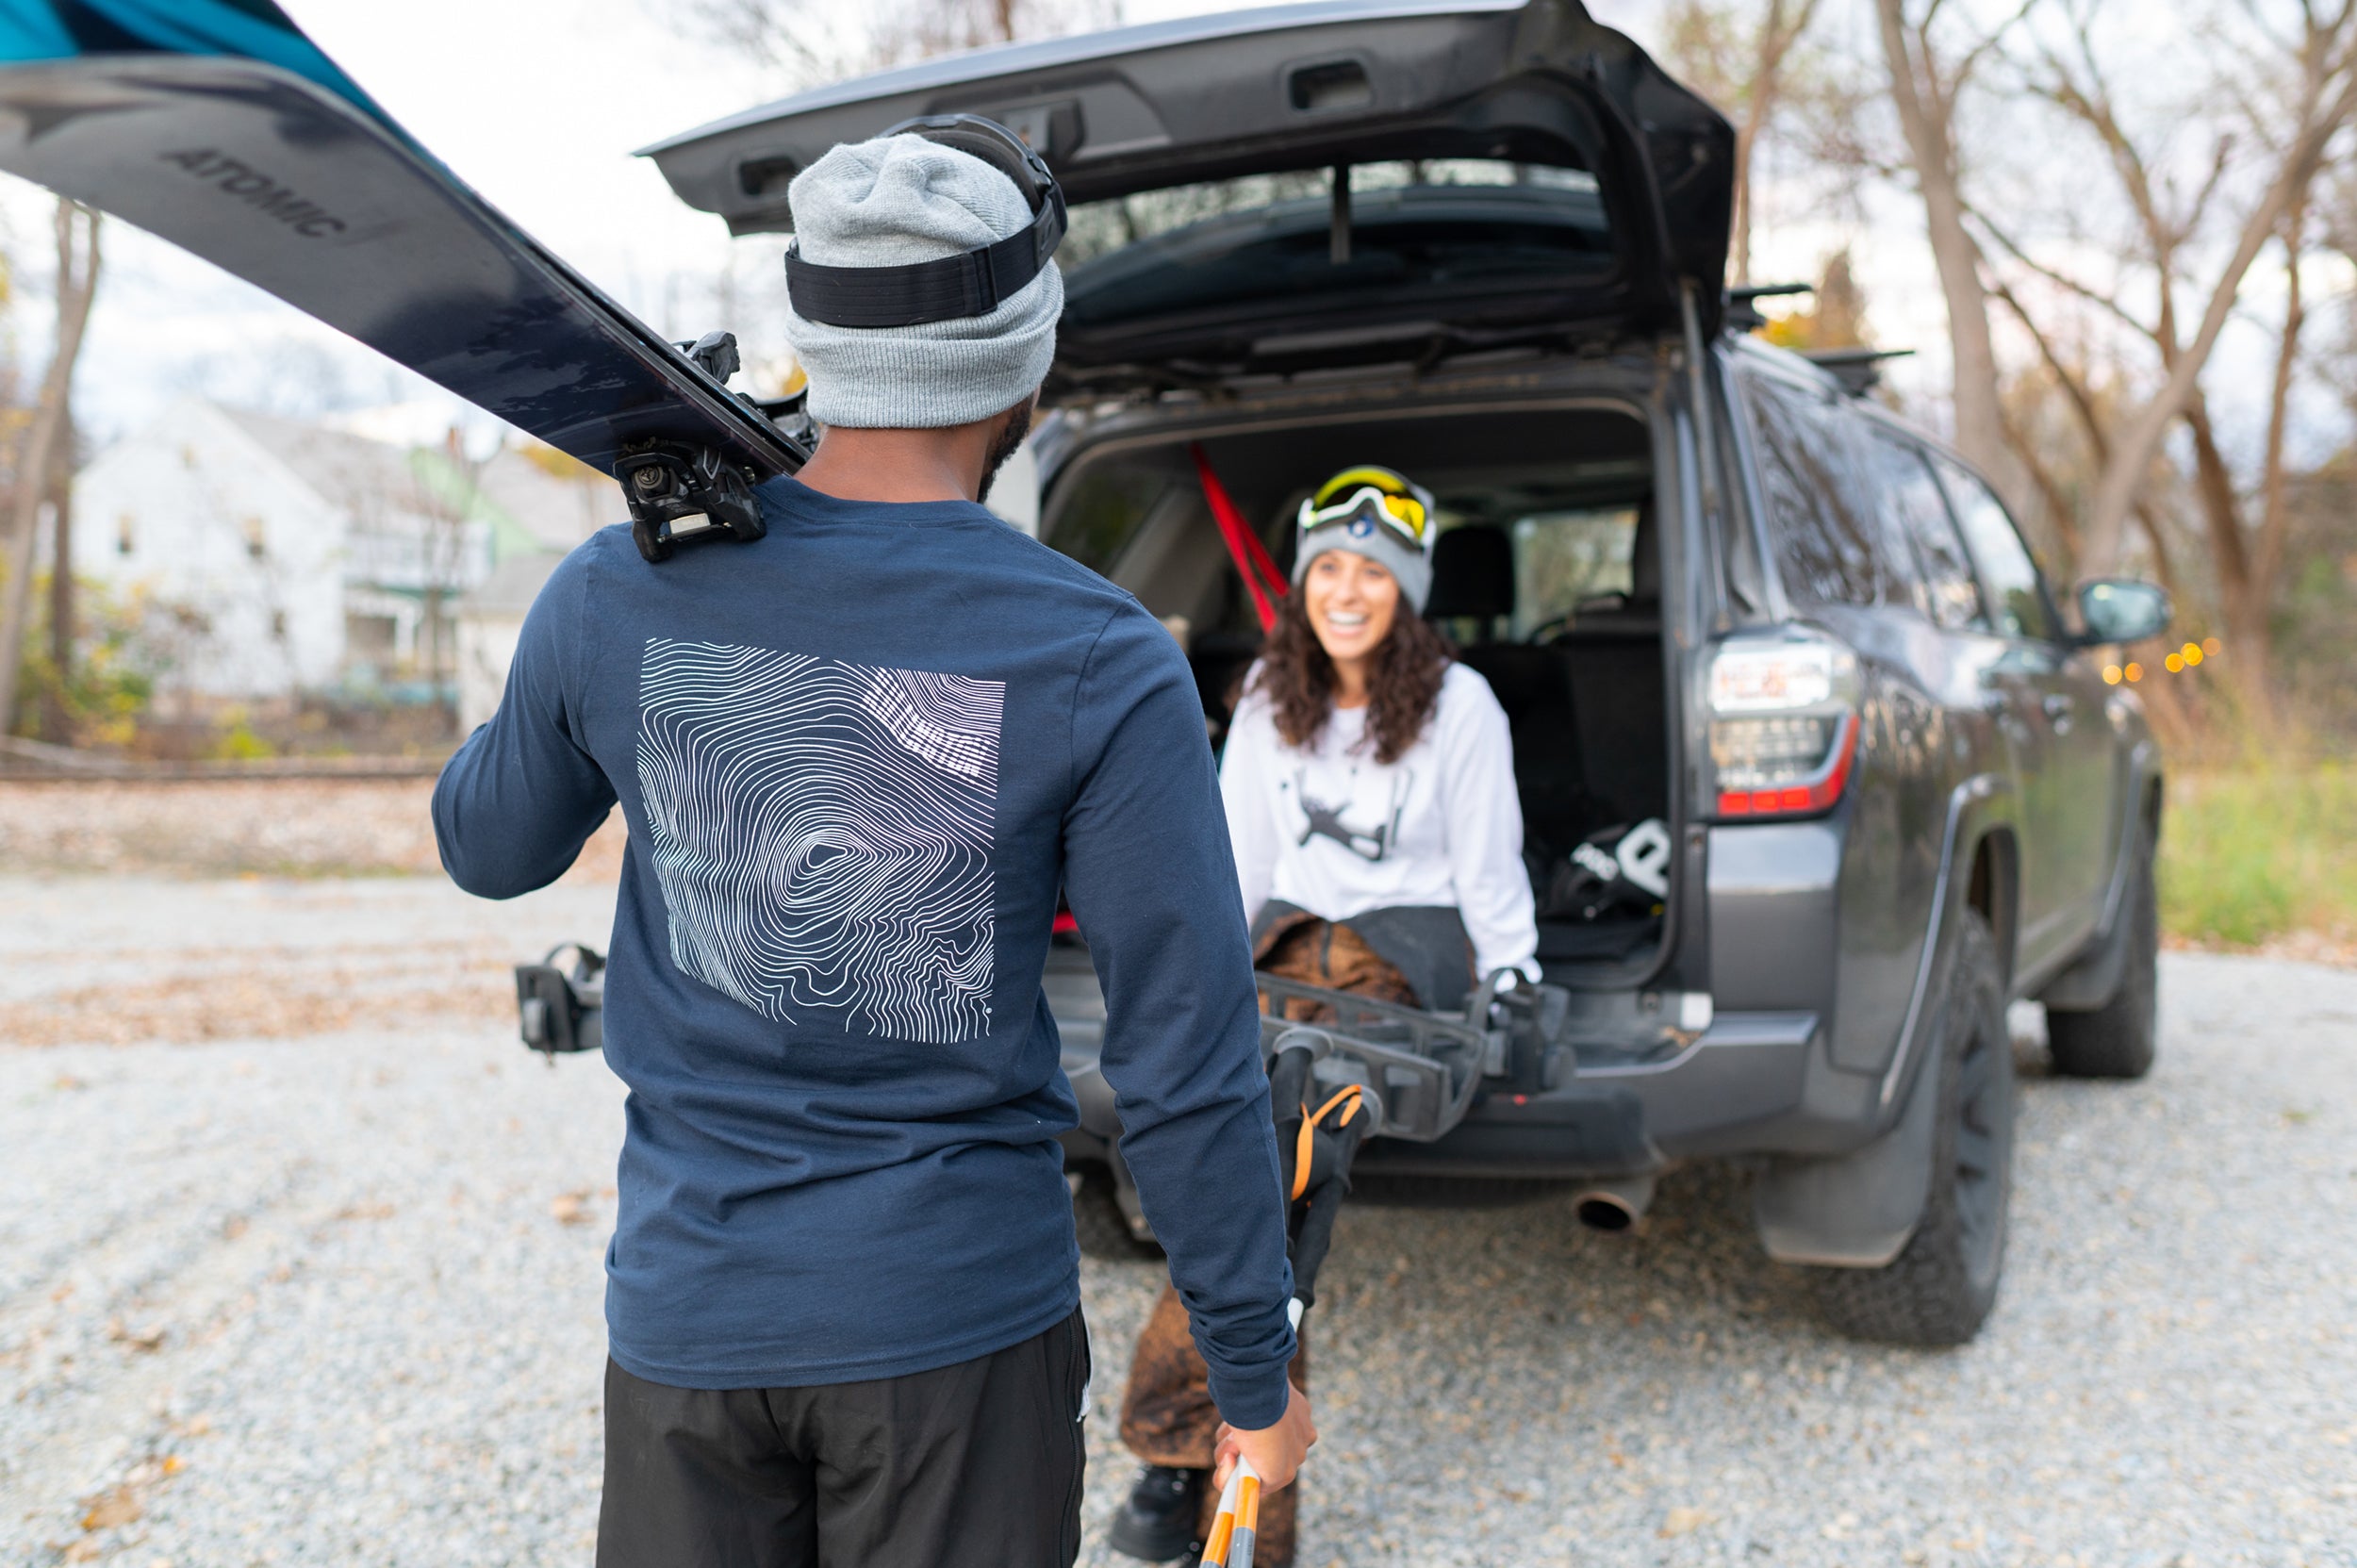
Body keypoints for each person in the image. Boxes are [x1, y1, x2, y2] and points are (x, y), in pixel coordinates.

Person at [432, 125, 1311, 1568]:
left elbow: (485, 842)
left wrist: (595, 621)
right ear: (1030, 365)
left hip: (688, 1331)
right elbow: (1187, 1058)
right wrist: (1251, 1376)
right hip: (956, 1338)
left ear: (815, 341)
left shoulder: (614, 592)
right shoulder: (1097, 655)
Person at [1108, 465, 1540, 1567]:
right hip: (1281, 961)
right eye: (1328, 569)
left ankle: (1181, 1461)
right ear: (1302, 583)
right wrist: (1185, 981)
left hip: (1397, 967)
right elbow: (1231, 868)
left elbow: (1490, 876)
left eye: (1373, 573)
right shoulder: (1265, 697)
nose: (1347, 591)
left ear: (1409, 589)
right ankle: (1191, 1456)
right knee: (1243, 1168)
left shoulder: (1462, 707)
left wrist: (1517, 977)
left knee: (1273, 1172)